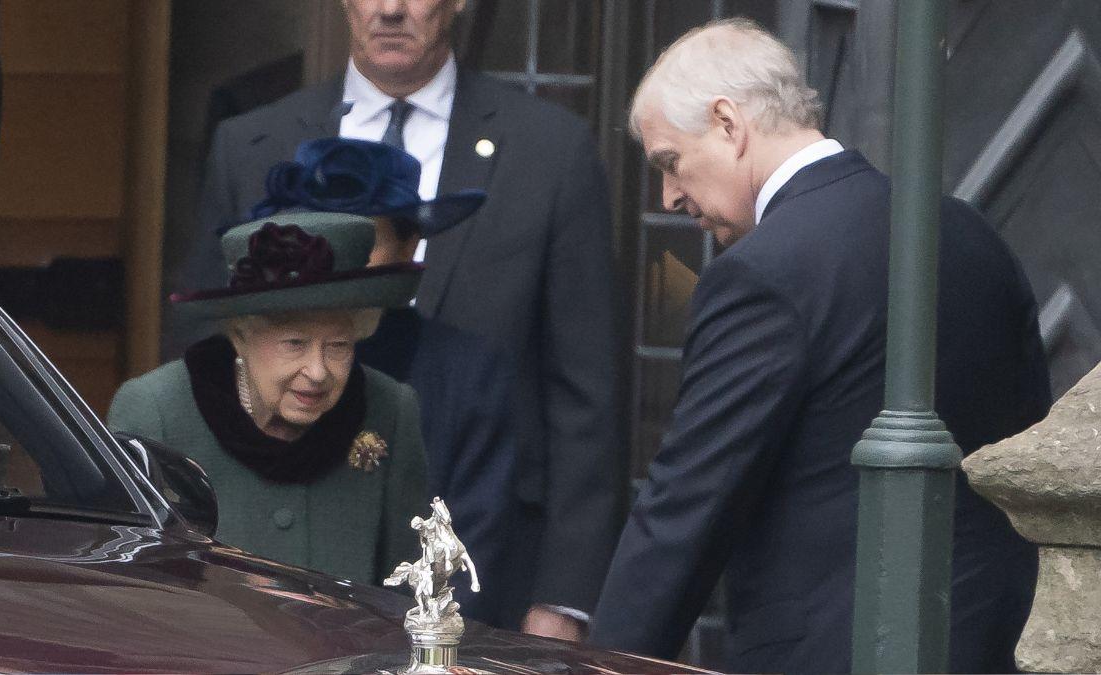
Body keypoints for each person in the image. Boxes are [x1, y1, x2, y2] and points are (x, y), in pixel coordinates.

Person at [587, 19, 1052, 674]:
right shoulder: (972, 233)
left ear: (728, 122)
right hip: (992, 644)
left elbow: (685, 506)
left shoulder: (761, 272)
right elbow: (1027, 444)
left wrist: (604, 665)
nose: (669, 196)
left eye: (670, 162)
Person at [174, 0, 621, 639]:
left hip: (481, 551)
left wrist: (565, 597)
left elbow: (587, 391)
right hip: (273, 556)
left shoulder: (552, 151)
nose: (389, 9)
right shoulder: (250, 142)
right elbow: (203, 354)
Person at [253, 136, 519, 625]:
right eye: (316, 236)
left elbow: (468, 555)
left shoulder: (469, 376)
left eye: (360, 239)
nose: (332, 257)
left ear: (409, 245)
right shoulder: (236, 363)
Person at [109, 212, 428, 586]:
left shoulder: (390, 408)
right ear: (241, 337)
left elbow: (411, 592)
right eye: (295, 343)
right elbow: (127, 589)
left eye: (338, 346)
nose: (318, 371)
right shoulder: (156, 411)